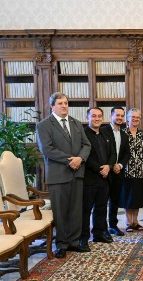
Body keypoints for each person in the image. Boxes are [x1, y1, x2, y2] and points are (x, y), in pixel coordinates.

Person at [36, 92, 91, 258]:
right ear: (52, 106)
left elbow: (86, 145)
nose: (64, 106)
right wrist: (70, 161)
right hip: (58, 175)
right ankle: (61, 244)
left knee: (76, 210)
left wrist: (80, 158)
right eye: (60, 103)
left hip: (77, 173)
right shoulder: (44, 125)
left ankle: (74, 242)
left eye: (66, 103)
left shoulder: (75, 123)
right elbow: (47, 149)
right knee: (60, 211)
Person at [81, 107, 116, 251]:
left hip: (105, 178)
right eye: (93, 116)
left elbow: (113, 152)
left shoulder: (106, 133)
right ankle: (83, 238)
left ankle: (99, 233)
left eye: (99, 116)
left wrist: (109, 166)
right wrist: (99, 169)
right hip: (89, 178)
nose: (96, 119)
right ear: (88, 118)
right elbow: (85, 155)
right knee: (86, 210)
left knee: (101, 208)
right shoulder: (83, 134)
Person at [120, 108, 143, 232]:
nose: (135, 119)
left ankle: (136, 221)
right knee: (128, 197)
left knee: (137, 197)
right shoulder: (122, 133)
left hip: (140, 171)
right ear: (127, 118)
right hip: (126, 170)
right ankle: (128, 222)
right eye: (133, 117)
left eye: (137, 117)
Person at [101, 106, 130, 237]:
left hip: (118, 172)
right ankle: (101, 228)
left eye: (121, 116)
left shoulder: (124, 134)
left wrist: (120, 165)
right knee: (101, 202)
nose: (119, 118)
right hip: (105, 172)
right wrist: (111, 165)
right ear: (111, 116)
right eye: (117, 115)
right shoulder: (103, 131)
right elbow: (101, 152)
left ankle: (113, 225)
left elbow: (126, 154)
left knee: (115, 201)